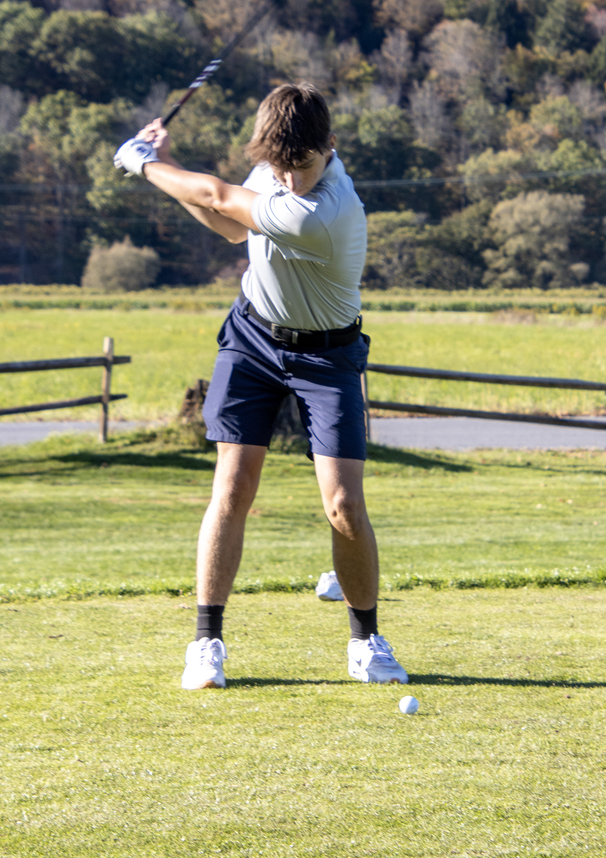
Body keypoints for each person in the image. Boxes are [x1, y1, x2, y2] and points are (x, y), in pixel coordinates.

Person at [113, 83, 408, 689]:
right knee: (232, 485)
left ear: (330, 145)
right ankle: (206, 642)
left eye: (301, 167)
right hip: (252, 340)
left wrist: (144, 165)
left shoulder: (323, 211)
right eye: (278, 167)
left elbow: (217, 194)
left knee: (343, 504)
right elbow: (227, 223)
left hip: (327, 355)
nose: (289, 180)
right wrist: (164, 162)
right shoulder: (274, 171)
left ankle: (366, 641)